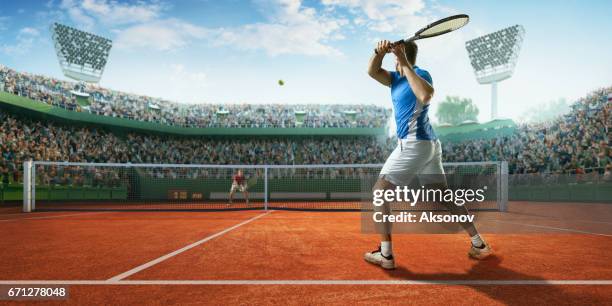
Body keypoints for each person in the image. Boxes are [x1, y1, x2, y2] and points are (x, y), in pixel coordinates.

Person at [364, 40, 492, 270]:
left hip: (415, 144)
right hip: (428, 145)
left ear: (401, 56)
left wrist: (404, 60)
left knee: (380, 192)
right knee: (443, 196)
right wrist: (378, 52)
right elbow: (371, 70)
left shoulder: (420, 74)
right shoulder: (394, 79)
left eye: (397, 58)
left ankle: (386, 255)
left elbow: (425, 95)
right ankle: (479, 244)